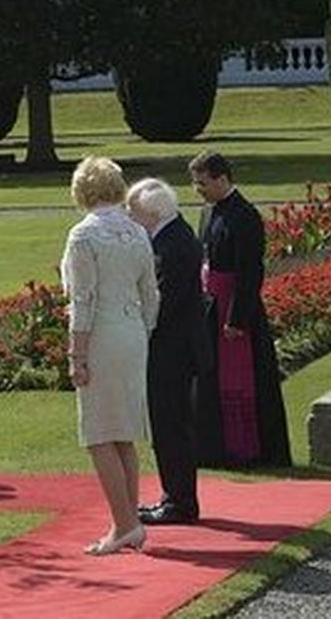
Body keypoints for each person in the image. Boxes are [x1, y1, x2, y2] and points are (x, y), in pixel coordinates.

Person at [60, 157, 159, 555]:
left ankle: (124, 524)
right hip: (132, 332)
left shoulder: (83, 236)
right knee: (122, 433)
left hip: (102, 335)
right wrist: (143, 332)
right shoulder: (137, 233)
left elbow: (82, 301)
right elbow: (151, 295)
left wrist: (76, 354)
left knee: (99, 433)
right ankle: (126, 521)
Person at [189, 150, 292, 468]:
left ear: (222, 178)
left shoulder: (245, 216)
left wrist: (236, 318)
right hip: (211, 305)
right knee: (209, 379)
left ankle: (249, 449)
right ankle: (214, 448)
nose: (198, 189)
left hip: (235, 311)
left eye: (202, 183)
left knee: (242, 381)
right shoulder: (209, 211)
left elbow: (249, 273)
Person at [126, 177, 204, 525]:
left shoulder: (173, 245)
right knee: (168, 425)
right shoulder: (172, 236)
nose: (130, 216)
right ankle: (173, 495)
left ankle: (179, 502)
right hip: (175, 347)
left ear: (152, 212)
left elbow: (164, 303)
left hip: (173, 350)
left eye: (134, 210)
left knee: (171, 425)